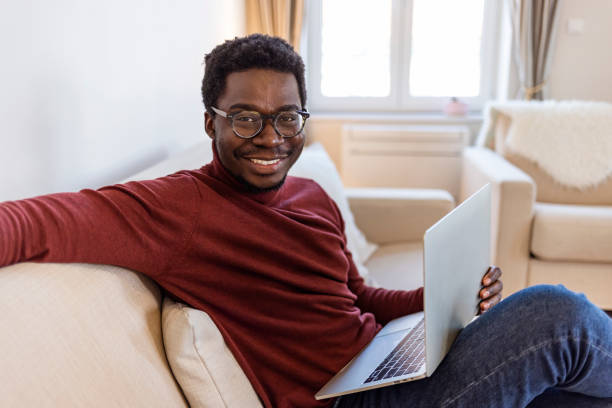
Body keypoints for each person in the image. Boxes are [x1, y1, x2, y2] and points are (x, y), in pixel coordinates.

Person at [0, 34, 610, 408]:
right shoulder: (179, 210)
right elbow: (41, 220)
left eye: (287, 118)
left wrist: (442, 302)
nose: (271, 138)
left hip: (386, 366)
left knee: (565, 378)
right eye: (245, 118)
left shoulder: (312, 195)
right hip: (352, 405)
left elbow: (357, 295)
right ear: (210, 121)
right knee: (557, 317)